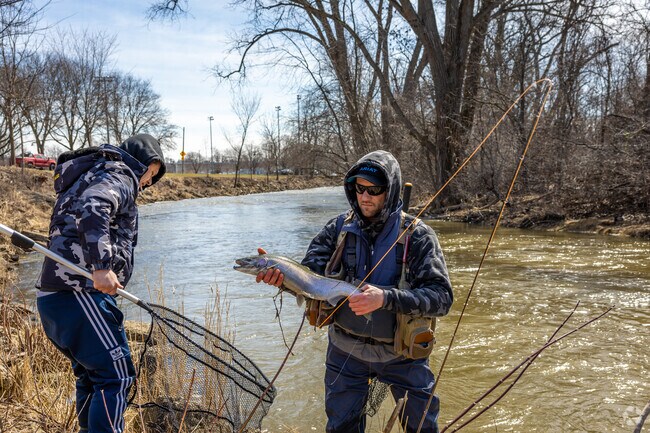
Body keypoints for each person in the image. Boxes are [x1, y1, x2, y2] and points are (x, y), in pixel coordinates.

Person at [257, 150, 453, 432]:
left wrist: (385, 298)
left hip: (403, 357)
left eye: (374, 190)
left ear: (391, 190)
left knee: (422, 428)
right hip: (345, 352)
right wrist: (282, 280)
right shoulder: (337, 229)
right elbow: (309, 281)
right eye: (359, 188)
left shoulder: (418, 236)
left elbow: (442, 298)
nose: (365, 196)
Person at [36, 134, 167, 433]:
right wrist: (101, 266)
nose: (148, 183)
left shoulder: (93, 173)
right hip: (79, 292)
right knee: (116, 376)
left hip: (55, 296)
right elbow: (94, 205)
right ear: (145, 163)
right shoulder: (120, 174)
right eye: (151, 174)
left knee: (92, 377)